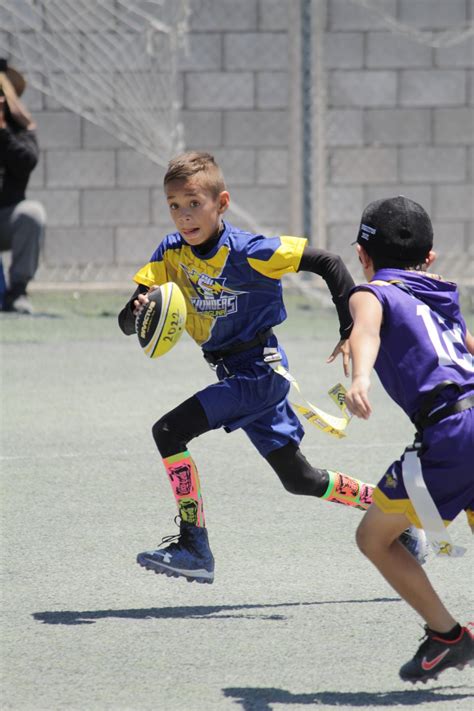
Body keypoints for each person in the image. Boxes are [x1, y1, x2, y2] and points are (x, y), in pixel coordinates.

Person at [118, 152, 425, 585]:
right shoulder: (169, 253)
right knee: (299, 478)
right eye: (173, 205)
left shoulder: (252, 250)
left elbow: (330, 263)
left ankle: (194, 546)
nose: (183, 216)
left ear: (221, 203)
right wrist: (139, 310)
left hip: (259, 373)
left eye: (193, 203)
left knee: (168, 431)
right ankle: (399, 515)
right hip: (235, 374)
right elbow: (127, 321)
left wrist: (348, 328)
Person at [345, 195, 474, 683]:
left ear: (362, 254)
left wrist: (360, 377)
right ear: (430, 258)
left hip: (451, 433)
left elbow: (368, 331)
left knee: (374, 537)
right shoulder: (443, 294)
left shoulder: (369, 292)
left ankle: (447, 636)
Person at [0, 59, 46, 314]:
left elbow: (27, 163)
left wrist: (2, 133)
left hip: (5, 218)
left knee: (32, 213)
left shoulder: (20, 129)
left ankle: (18, 290)